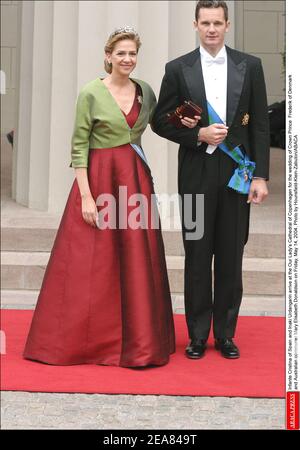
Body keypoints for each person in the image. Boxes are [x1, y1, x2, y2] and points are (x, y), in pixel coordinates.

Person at [23, 27, 175, 367]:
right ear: (108, 56)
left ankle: (142, 341)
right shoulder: (91, 92)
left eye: (132, 53)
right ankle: (84, 342)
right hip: (99, 180)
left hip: (135, 179)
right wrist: (86, 198)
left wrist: (186, 122)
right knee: (92, 262)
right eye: (120, 53)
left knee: (138, 257)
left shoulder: (145, 92)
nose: (127, 59)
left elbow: (159, 124)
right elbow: (79, 146)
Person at [152, 1, 270, 359]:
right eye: (205, 23)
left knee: (232, 256)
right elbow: (161, 121)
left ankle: (227, 334)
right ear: (195, 25)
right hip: (196, 174)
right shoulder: (178, 69)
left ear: (227, 25)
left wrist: (261, 176)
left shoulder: (250, 66)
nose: (212, 29)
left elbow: (261, 127)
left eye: (218, 22)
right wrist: (198, 134)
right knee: (198, 256)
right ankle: (198, 335)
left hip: (238, 174)